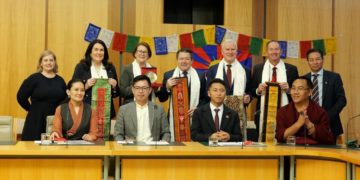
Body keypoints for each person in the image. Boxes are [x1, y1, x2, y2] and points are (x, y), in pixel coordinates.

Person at [252, 40, 299, 141]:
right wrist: (258, 90)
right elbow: (252, 91)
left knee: (284, 141)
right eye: (271, 49)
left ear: (281, 51)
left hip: (286, 113)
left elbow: (298, 93)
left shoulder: (292, 69)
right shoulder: (258, 69)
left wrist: (289, 90)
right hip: (263, 114)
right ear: (267, 52)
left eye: (277, 49)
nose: (274, 52)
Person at [157, 48, 207, 141]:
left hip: (195, 117)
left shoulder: (200, 75)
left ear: (192, 61)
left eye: (187, 59)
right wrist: (167, 87)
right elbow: (162, 98)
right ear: (177, 60)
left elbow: (206, 98)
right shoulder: (169, 75)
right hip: (175, 118)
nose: (184, 61)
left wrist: (198, 108)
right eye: (181, 59)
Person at [17, 50, 66, 141]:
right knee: (32, 148)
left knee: (53, 150)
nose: (49, 63)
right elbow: (20, 97)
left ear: (55, 63)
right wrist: (31, 109)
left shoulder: (60, 81)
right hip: (36, 118)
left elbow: (65, 100)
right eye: (46, 60)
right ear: (41, 63)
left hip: (54, 120)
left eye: (51, 60)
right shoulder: (33, 79)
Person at [276, 77, 333, 144]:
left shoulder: (320, 112)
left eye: (300, 88)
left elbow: (327, 138)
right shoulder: (282, 111)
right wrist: (299, 123)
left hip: (313, 151)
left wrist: (308, 124)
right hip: (289, 151)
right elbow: (280, 136)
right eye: (293, 88)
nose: (295, 92)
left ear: (310, 92)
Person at [304, 49, 346, 142]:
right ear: (308, 62)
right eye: (311, 60)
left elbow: (342, 100)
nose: (315, 62)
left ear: (322, 60)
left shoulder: (334, 77)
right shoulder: (303, 79)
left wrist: (326, 116)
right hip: (308, 125)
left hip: (330, 124)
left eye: (318, 59)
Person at [114, 75, 170, 142]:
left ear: (149, 90)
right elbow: (118, 134)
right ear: (133, 90)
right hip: (131, 149)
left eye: (144, 88)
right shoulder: (124, 110)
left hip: (153, 149)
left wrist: (164, 142)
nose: (141, 91)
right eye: (137, 88)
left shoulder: (159, 109)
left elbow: (166, 132)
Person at [72, 39, 120, 118]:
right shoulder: (81, 67)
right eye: (96, 49)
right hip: (86, 110)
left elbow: (116, 94)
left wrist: (114, 86)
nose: (99, 52)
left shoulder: (110, 68)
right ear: (90, 52)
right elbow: (73, 88)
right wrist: (86, 85)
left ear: (104, 53)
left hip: (106, 112)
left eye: (101, 50)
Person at [206, 39, 252, 104]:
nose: (230, 52)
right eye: (227, 49)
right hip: (218, 110)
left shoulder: (246, 71)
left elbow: (249, 91)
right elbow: (207, 91)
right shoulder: (213, 70)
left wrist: (248, 98)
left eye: (233, 49)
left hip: (238, 111)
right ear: (222, 51)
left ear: (236, 52)